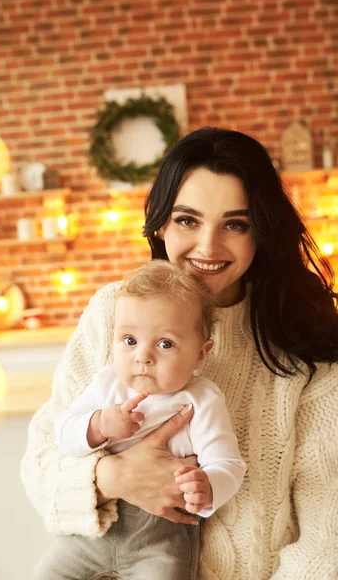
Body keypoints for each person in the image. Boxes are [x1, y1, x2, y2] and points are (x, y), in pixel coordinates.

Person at [21, 127, 338, 580]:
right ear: (162, 222)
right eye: (188, 220)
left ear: (261, 231)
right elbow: (40, 466)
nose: (208, 247)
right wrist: (113, 477)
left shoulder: (305, 335)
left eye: (235, 223)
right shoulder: (115, 310)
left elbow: (327, 541)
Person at [48, 260, 246, 580]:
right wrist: (98, 424)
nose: (143, 356)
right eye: (129, 340)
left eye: (165, 344)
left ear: (201, 353)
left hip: (161, 540)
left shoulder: (202, 400)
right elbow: (62, 432)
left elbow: (229, 464)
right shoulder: (107, 384)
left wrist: (208, 486)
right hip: (92, 531)